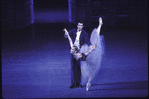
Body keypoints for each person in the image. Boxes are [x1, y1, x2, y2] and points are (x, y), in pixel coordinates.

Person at [63, 21, 94, 89]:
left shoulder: (84, 33)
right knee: (73, 67)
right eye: (79, 25)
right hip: (73, 49)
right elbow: (68, 36)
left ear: (82, 26)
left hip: (79, 50)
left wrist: (90, 45)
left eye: (81, 25)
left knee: (78, 67)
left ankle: (78, 83)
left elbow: (87, 40)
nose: (80, 26)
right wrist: (66, 33)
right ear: (77, 25)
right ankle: (73, 83)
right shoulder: (73, 31)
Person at [79, 17, 104, 91]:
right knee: (92, 70)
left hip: (89, 55)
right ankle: (88, 82)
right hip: (92, 57)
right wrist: (100, 24)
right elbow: (97, 33)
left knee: (89, 69)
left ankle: (88, 82)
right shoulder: (94, 43)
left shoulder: (89, 43)